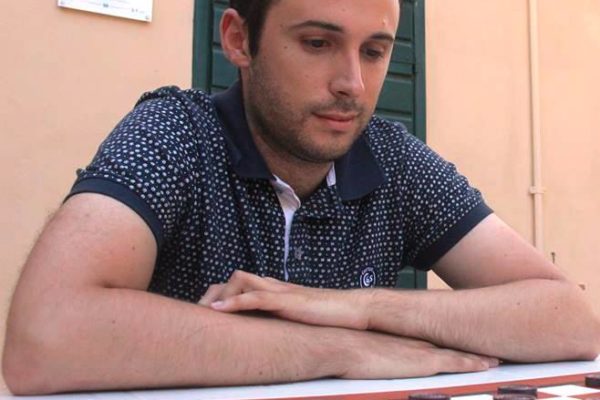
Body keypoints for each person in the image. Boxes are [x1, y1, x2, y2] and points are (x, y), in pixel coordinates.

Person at [3, 0, 599, 395]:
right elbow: (46, 335)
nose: (353, 84)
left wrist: (360, 309)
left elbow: (570, 320)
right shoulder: (176, 133)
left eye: (374, 51)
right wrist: (341, 349)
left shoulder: (392, 159)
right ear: (239, 39)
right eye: (317, 43)